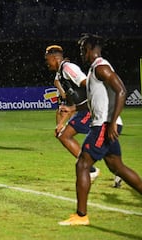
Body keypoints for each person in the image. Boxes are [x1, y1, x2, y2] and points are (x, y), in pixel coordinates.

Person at [58, 33, 142, 226]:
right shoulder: (94, 70)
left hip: (104, 125)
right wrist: (72, 108)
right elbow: (93, 101)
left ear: (88, 49)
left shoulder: (101, 67)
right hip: (105, 123)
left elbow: (122, 90)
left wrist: (111, 122)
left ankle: (81, 216)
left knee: (82, 165)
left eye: (82, 49)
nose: (81, 53)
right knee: (117, 167)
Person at [44, 45, 100, 182]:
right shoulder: (60, 74)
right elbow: (69, 104)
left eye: (47, 60)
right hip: (82, 109)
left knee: (67, 137)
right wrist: (61, 124)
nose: (46, 63)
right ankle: (108, 168)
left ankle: (91, 169)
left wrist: (98, 103)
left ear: (54, 58)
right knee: (64, 135)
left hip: (90, 108)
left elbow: (89, 85)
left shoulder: (68, 68)